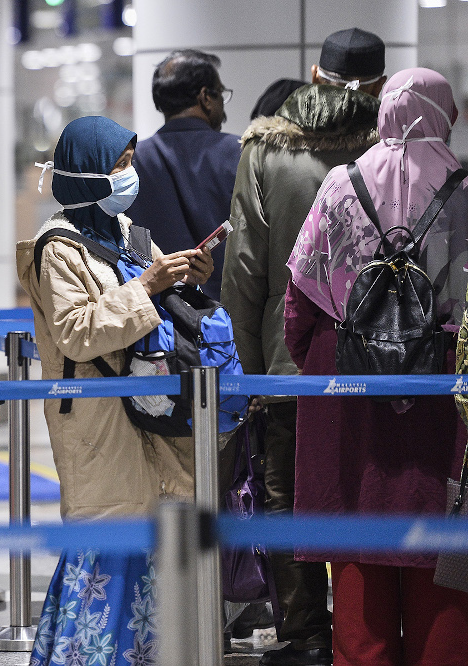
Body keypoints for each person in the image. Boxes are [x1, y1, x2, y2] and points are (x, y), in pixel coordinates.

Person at [286, 68, 468, 666]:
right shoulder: (465, 188)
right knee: (444, 551)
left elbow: (301, 300)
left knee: (359, 543)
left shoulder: (340, 184)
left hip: (349, 384)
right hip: (447, 388)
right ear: (445, 113)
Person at [17, 115, 213, 665]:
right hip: (99, 419)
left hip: (148, 410)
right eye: (118, 165)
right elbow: (77, 333)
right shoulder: (56, 248)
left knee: (150, 534)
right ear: (86, 174)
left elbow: (156, 306)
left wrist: (187, 276)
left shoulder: (130, 234)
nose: (129, 176)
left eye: (130, 163)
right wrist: (148, 286)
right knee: (107, 536)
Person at [221, 27, 385, 666]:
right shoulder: (386, 150)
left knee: (286, 489)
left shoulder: (266, 152)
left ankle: (305, 630)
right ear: (378, 83)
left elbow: (245, 272)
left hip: (288, 360)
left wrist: (249, 373)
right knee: (368, 487)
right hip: (386, 362)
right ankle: (365, 630)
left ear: (314, 76)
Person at [124, 49, 239, 301]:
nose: (223, 107)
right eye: (220, 94)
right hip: (225, 318)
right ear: (205, 97)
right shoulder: (240, 153)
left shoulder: (132, 161)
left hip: (156, 315)